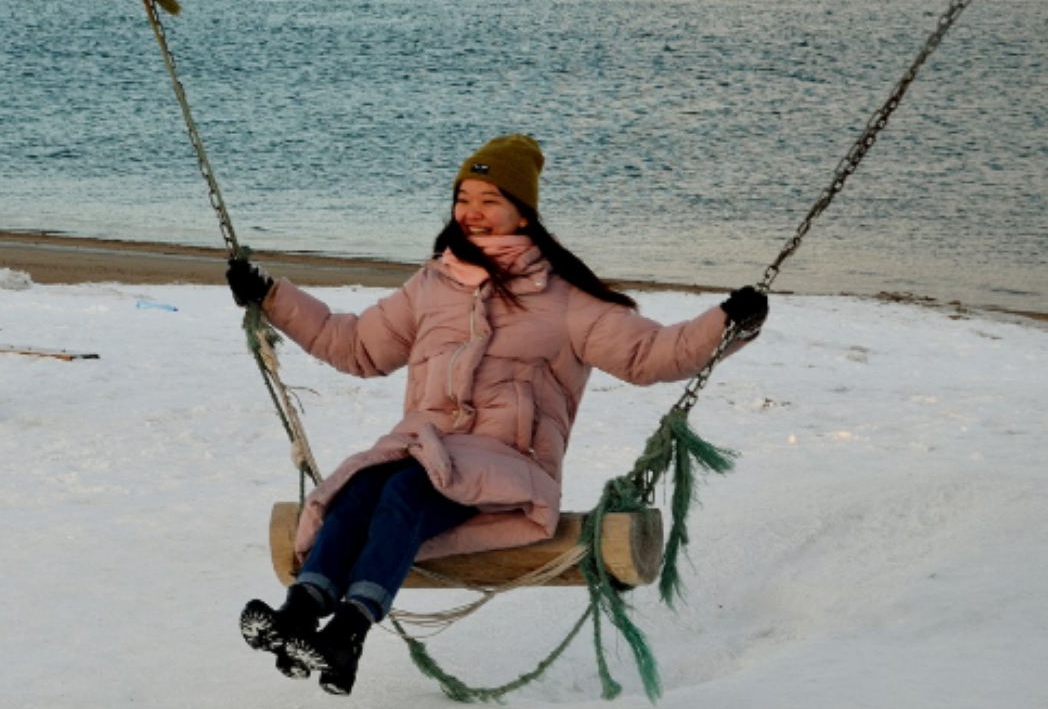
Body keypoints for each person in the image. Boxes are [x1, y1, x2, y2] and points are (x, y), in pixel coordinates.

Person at [226, 134, 768, 696]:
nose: (472, 213)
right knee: (360, 488)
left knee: (404, 490)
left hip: (509, 467)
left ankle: (348, 633)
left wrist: (728, 320)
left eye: (489, 200)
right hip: (425, 447)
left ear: (522, 213)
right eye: (463, 199)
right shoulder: (432, 284)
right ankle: (298, 615)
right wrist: (271, 298)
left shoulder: (564, 298)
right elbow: (356, 346)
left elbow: (648, 354)